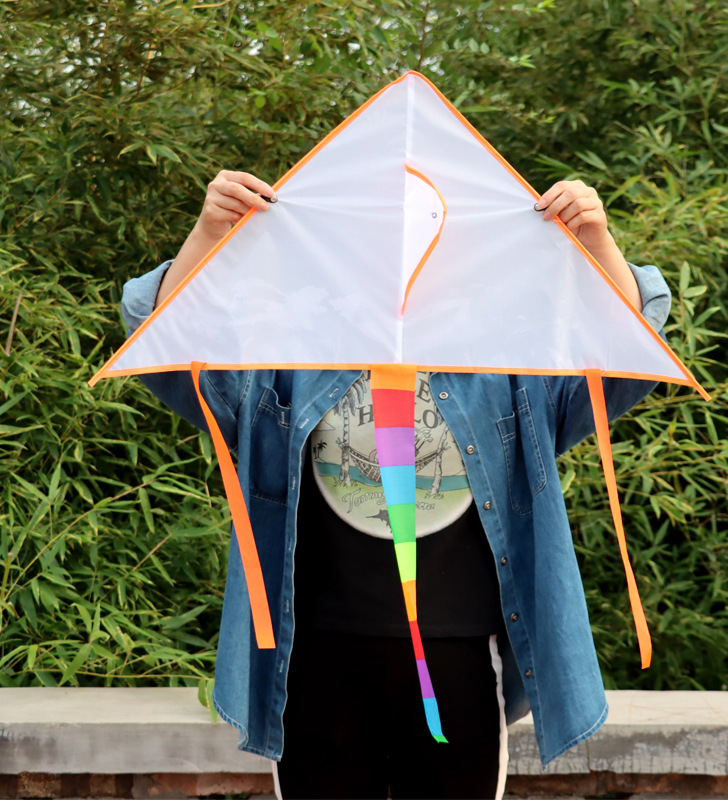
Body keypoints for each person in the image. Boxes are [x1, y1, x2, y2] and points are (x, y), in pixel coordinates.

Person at [121, 170, 672, 800]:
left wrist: (597, 241)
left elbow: (635, 355)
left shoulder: (507, 361)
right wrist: (207, 233)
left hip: (463, 649)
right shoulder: (290, 353)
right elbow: (155, 338)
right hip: (312, 652)